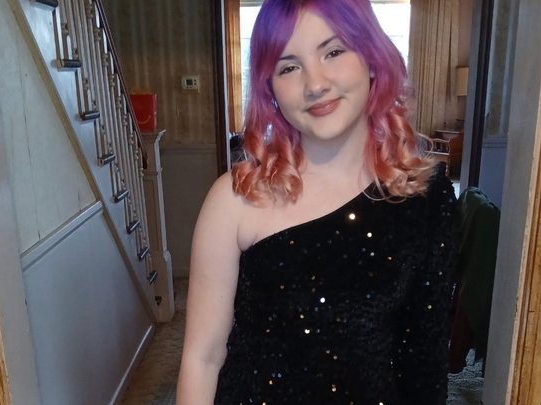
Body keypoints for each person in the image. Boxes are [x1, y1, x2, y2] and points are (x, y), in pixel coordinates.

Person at [176, 0, 457, 404]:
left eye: (333, 51)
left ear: (372, 58)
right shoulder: (234, 200)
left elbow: (424, 362)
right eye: (289, 67)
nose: (315, 84)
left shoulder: (427, 199)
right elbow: (201, 359)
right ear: (270, 89)